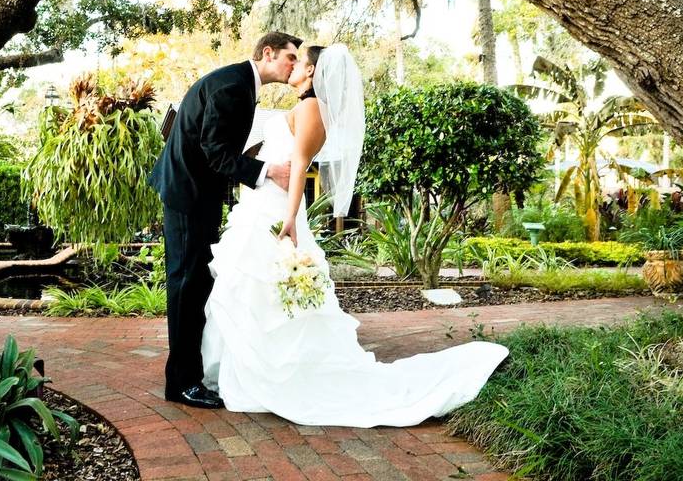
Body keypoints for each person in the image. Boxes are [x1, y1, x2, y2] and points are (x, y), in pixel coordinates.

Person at [200, 44, 509, 427]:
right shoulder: (309, 107)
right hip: (262, 204)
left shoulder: (313, 108)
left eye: (299, 62)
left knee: (264, 293)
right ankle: (245, 371)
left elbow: (299, 168)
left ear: (312, 71)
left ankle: (269, 375)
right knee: (254, 294)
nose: (292, 66)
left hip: (277, 210)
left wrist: (291, 218)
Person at [149, 31, 300, 409]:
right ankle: (181, 383)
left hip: (195, 193)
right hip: (188, 195)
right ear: (268, 52)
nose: (295, 65)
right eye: (291, 57)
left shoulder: (238, 83)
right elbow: (215, 151)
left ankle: (189, 374)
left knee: (196, 281)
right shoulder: (233, 86)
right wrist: (267, 172)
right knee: (185, 285)